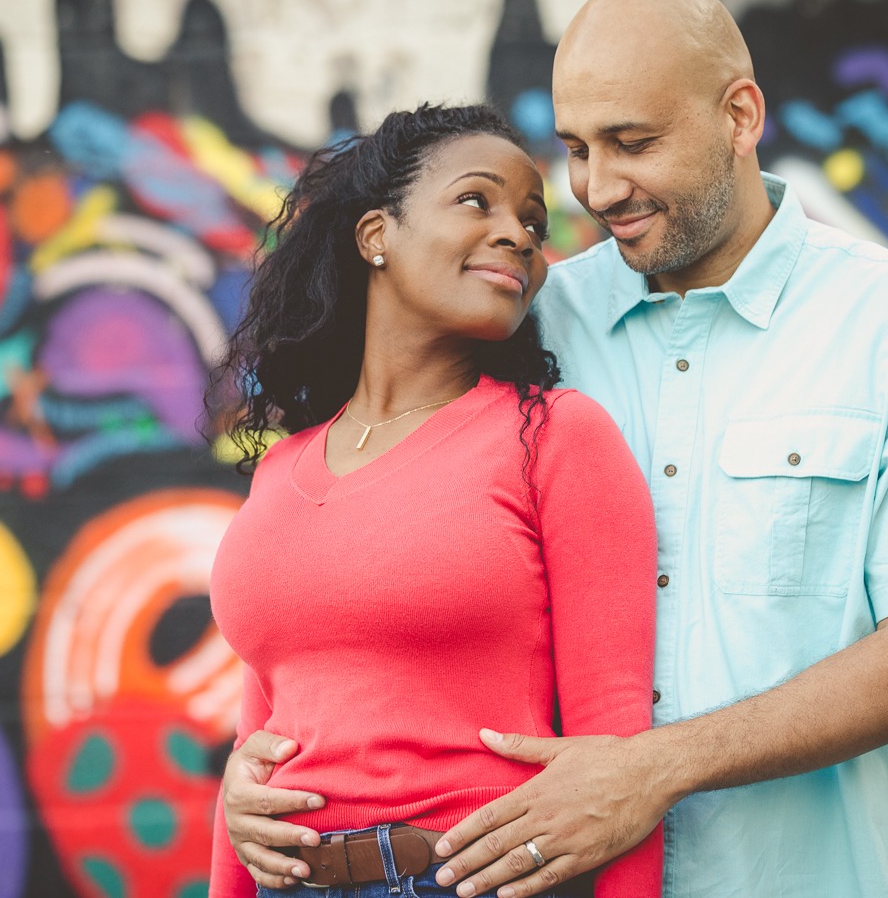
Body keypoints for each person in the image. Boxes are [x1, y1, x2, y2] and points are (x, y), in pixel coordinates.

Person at [217, 0, 888, 898]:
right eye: (576, 148)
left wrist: (655, 766)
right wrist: (264, 763)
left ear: (741, 115)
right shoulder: (530, 324)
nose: (598, 187)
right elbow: (369, 554)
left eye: (632, 143)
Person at [207, 103, 663, 898]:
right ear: (376, 235)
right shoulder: (282, 469)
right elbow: (261, 759)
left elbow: (615, 761)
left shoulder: (552, 436)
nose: (520, 235)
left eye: (533, 220)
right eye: (476, 201)